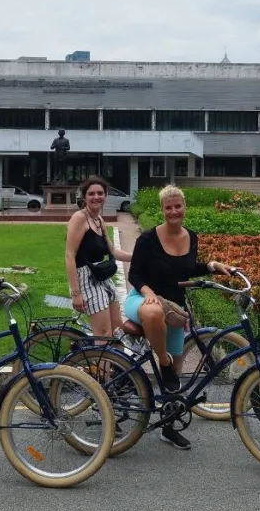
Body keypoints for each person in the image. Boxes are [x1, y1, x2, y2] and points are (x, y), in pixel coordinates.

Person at [125, 185, 236, 450]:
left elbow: (187, 268)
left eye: (178, 206)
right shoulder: (148, 239)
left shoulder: (192, 237)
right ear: (162, 210)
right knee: (154, 314)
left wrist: (211, 266)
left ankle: (168, 427)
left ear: (183, 207)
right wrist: (149, 293)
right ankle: (161, 362)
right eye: (168, 207)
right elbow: (135, 275)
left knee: (173, 381)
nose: (174, 211)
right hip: (143, 300)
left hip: (173, 308)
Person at [65, 176, 133, 338]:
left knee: (118, 331)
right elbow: (69, 255)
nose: (96, 197)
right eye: (91, 194)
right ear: (84, 197)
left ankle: (117, 364)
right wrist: (76, 293)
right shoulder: (79, 218)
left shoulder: (99, 220)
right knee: (103, 334)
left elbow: (113, 251)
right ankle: (102, 363)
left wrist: (139, 256)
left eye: (100, 193)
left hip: (101, 276)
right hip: (85, 279)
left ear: (106, 195)